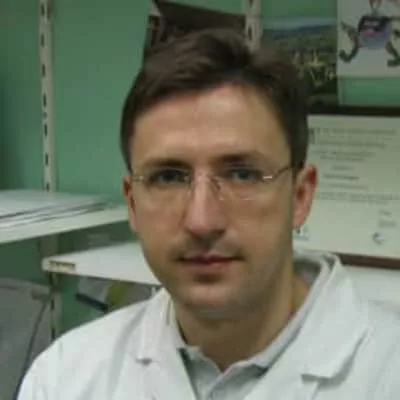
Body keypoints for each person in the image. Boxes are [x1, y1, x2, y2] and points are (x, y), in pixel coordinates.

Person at [18, 28, 400, 400]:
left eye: (242, 174)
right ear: (132, 204)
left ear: (300, 196)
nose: (202, 221)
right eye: (168, 177)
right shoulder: (64, 378)